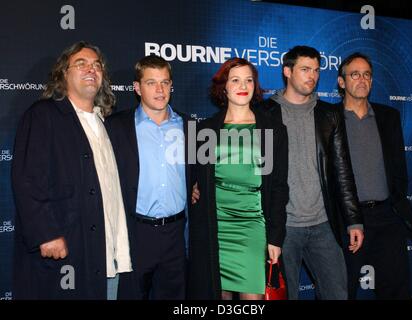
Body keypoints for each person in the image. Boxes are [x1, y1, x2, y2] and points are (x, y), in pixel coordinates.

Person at [11, 41, 132, 299]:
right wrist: (47, 233)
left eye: (96, 66)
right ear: (63, 73)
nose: (91, 69)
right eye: (81, 64)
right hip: (68, 252)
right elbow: (28, 180)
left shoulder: (104, 123)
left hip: (108, 251)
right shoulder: (44, 115)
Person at [260, 46, 364, 300]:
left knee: (338, 294)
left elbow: (343, 170)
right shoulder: (264, 113)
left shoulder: (329, 115)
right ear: (287, 71)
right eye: (305, 69)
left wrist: (354, 219)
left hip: (323, 225)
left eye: (316, 70)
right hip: (281, 228)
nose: (313, 76)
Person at [187, 57, 289, 300]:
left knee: (251, 299)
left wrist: (275, 238)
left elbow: (279, 188)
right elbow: (195, 175)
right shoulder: (205, 130)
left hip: (253, 226)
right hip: (216, 227)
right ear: (224, 86)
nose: (243, 85)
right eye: (235, 80)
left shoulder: (274, 130)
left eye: (248, 80)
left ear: (255, 86)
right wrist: (193, 186)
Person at [105, 55, 192, 300]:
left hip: (177, 235)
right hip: (136, 233)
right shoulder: (116, 127)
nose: (160, 90)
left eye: (165, 82)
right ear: (137, 87)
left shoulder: (190, 126)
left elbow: (199, 176)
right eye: (151, 82)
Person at [337, 52, 412, 299]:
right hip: (347, 219)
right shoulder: (328, 118)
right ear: (342, 82)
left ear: (371, 81)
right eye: (354, 74)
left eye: (367, 75)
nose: (362, 79)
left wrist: (396, 204)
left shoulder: (389, 117)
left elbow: (398, 168)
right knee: (341, 290)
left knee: (396, 290)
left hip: (387, 217)